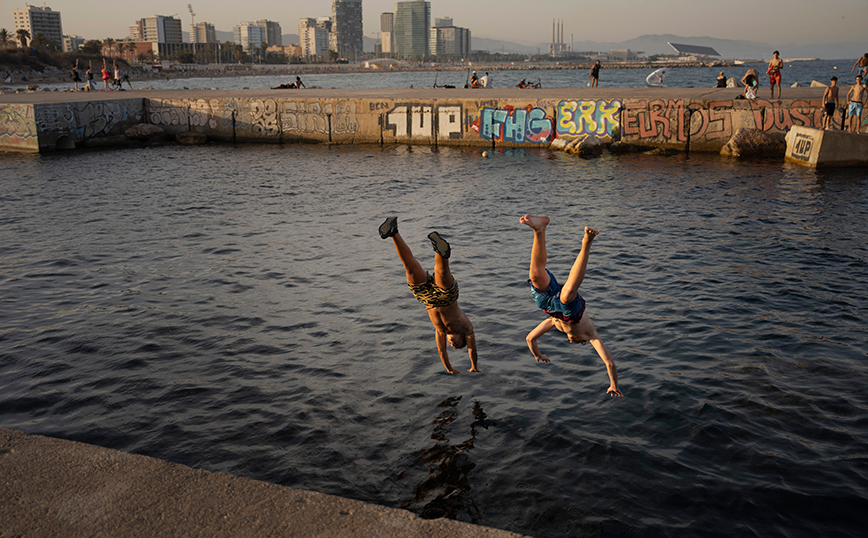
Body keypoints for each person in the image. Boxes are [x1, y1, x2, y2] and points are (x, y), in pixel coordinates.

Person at [520, 215, 622, 397]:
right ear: (582, 340)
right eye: (575, 342)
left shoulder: (554, 324)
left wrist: (538, 355)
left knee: (536, 276)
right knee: (567, 295)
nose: (570, 340)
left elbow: (530, 338)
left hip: (550, 307)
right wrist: (613, 384)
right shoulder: (591, 336)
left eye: (570, 341)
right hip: (572, 312)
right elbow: (610, 363)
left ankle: (539, 230)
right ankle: (587, 243)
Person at [379, 217, 479, 374]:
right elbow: (472, 349)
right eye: (459, 345)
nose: (454, 345)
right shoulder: (467, 328)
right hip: (447, 298)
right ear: (462, 338)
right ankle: (440, 251)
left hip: (427, 298)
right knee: (442, 271)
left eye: (452, 346)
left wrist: (449, 368)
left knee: (410, 267)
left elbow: (441, 351)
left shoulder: (441, 331)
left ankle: (393, 232)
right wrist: (474, 366)